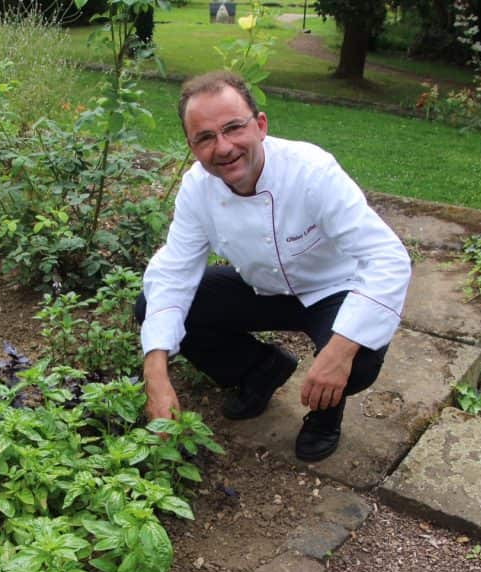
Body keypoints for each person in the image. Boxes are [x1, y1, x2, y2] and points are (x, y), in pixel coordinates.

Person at [136, 71, 411, 462]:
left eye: (233, 128)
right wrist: (156, 375)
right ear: (192, 147)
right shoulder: (198, 188)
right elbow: (174, 272)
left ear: (260, 125)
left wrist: (338, 351)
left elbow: (388, 258)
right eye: (206, 138)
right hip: (262, 287)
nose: (224, 147)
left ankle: (324, 413)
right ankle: (259, 369)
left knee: (359, 360)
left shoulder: (312, 171)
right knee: (150, 305)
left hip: (330, 288)